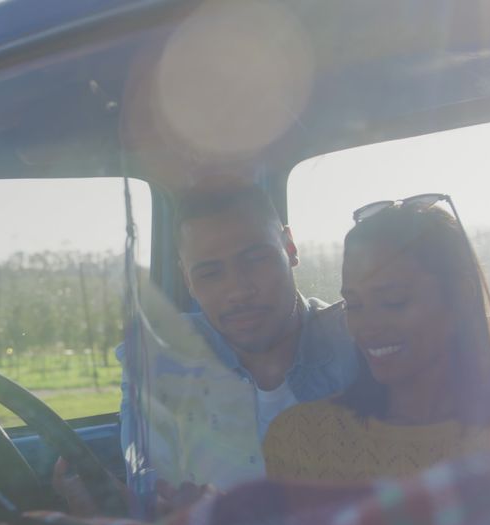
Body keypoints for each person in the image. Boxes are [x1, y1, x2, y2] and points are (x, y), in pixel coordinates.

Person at [263, 195, 490, 481]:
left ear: (459, 296)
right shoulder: (299, 440)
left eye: (394, 301)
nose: (367, 325)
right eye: (355, 305)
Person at [117, 182, 359, 490]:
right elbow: (151, 495)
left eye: (256, 259)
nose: (238, 291)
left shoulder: (359, 341)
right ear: (187, 280)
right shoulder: (160, 360)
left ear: (290, 248)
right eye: (210, 273)